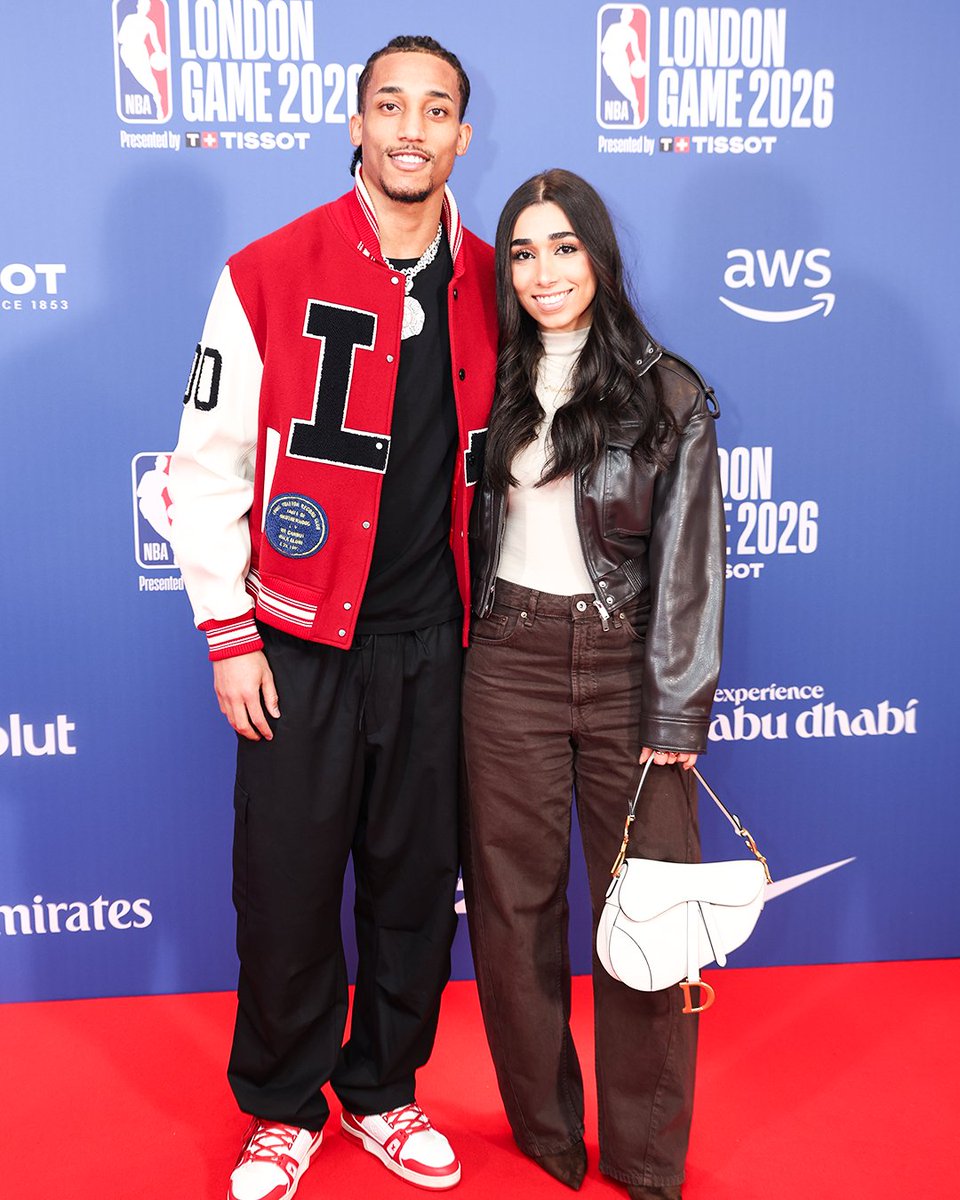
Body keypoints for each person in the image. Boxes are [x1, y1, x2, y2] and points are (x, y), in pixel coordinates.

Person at [168, 35, 496, 1200]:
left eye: (438, 109)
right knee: (290, 880)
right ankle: (281, 1103)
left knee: (415, 883)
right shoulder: (268, 270)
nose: (412, 129)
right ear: (353, 122)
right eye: (390, 106)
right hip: (298, 642)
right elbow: (202, 473)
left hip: (438, 646)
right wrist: (229, 631)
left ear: (465, 134)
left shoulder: (498, 282)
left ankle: (382, 1091)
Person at [460, 170, 725, 1200]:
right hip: (508, 662)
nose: (543, 272)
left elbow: (690, 571)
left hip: (627, 672)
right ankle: (547, 1135)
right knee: (513, 915)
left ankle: (648, 1159)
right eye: (522, 252)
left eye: (563, 247)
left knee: (650, 923)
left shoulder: (671, 394)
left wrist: (675, 711)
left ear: (601, 257)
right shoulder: (484, 379)